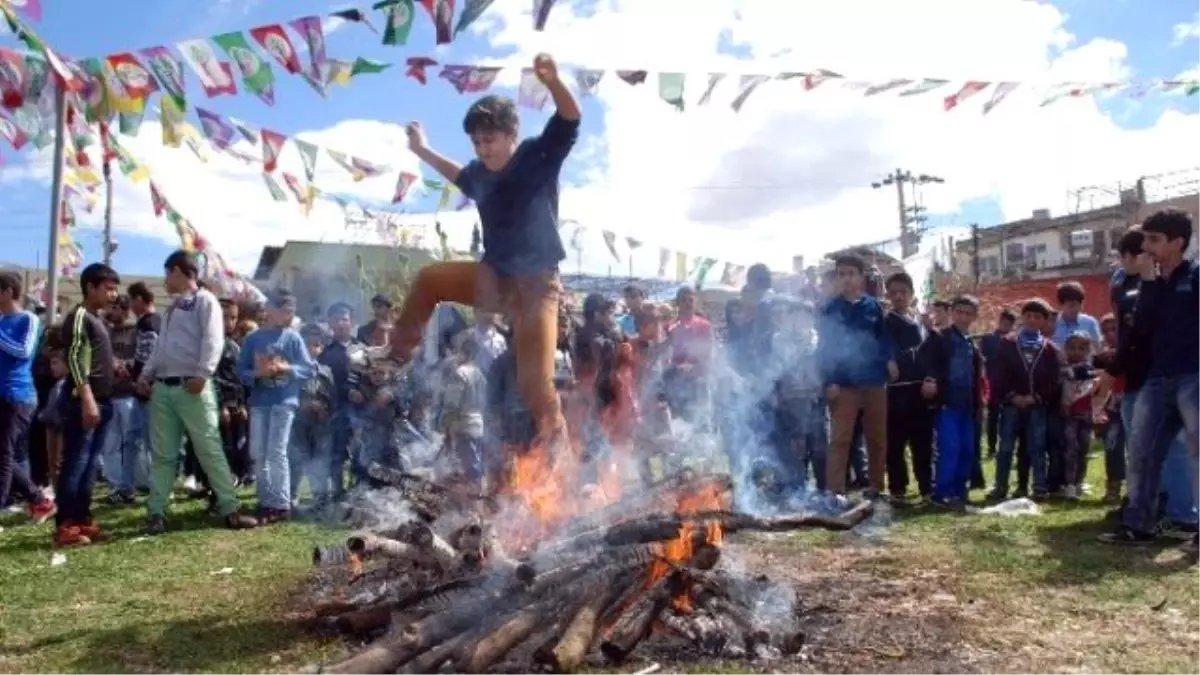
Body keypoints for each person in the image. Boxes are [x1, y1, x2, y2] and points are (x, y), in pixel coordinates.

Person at [389, 53, 580, 460]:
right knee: (429, 279)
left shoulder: (537, 157)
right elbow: (456, 172)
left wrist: (553, 82)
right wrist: (421, 149)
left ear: (512, 134)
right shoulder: (479, 174)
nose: (483, 149)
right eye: (477, 142)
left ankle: (559, 457)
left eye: (490, 140)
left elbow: (570, 120)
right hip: (494, 280)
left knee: (535, 384)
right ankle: (393, 356)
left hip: (536, 287)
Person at [138, 250, 258, 534]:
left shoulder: (206, 301)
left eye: (168, 273)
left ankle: (231, 509)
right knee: (164, 454)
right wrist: (146, 374)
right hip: (164, 388)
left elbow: (214, 340)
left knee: (209, 449)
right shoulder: (172, 308)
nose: (165, 280)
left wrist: (203, 373)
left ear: (179, 271)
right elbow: (161, 347)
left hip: (192, 386)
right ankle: (156, 512)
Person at [1101, 209, 1200, 546]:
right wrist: (1148, 281)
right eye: (1145, 239)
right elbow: (1142, 327)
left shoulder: (1196, 275)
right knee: (1142, 451)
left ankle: (1191, 523)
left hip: (1194, 376)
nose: (1147, 247)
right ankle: (1138, 524)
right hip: (1157, 379)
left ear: (1177, 242)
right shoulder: (1151, 282)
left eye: (1154, 240)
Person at [816, 254, 898, 499]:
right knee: (840, 439)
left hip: (874, 381)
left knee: (877, 437)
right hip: (843, 384)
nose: (846, 279)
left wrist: (890, 359)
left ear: (861, 277)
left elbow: (882, 337)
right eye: (841, 274)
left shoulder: (873, 306)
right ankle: (835, 491)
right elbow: (825, 349)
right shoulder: (829, 309)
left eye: (851, 274)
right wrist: (828, 380)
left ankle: (875, 487)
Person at [54, 263, 120, 546]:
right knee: (76, 463)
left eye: (115, 288)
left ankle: (82, 519)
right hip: (84, 402)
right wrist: (87, 399)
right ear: (90, 287)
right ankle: (66, 525)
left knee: (91, 464)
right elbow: (76, 360)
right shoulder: (79, 316)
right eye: (108, 288)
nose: (113, 295)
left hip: (104, 402)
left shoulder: (97, 319)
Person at [236, 289, 315, 523]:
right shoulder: (253, 339)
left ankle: (281, 504)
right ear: (269, 310)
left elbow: (309, 368)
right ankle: (265, 500)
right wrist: (257, 374)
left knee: (276, 452)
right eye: (285, 311)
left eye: (292, 312)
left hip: (283, 402)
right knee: (258, 452)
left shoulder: (293, 338)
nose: (289, 316)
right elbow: (240, 371)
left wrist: (286, 368)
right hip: (259, 403)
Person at [989, 299, 1062, 501]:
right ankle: (1000, 486)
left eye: (1037, 317)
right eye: (1028, 315)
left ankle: (1039, 487)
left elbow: (1054, 380)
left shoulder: (1050, 350)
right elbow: (998, 374)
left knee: (1037, 446)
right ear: (1022, 317)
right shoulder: (1008, 344)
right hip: (1011, 405)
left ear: (1044, 321)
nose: (1032, 320)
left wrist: (1035, 397)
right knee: (1005, 447)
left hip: (1036, 406)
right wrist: (1013, 396)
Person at [0, 271, 55, 524]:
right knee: (4, 454)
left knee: (4, 454)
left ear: (8, 292)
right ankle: (39, 500)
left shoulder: (28, 319)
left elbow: (23, 352)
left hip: (17, 395)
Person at [924, 295, 984, 508]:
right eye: (959, 312)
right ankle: (941, 493)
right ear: (952, 313)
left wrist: (979, 402)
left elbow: (977, 375)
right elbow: (928, 360)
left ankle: (960, 491)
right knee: (950, 447)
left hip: (967, 405)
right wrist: (930, 380)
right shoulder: (940, 337)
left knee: (967, 449)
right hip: (947, 403)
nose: (963, 317)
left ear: (974, 316)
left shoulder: (972, 344)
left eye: (968, 313)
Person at [883, 272, 934, 502]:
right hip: (898, 391)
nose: (898, 296)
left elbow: (930, 353)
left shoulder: (919, 321)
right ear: (888, 295)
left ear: (911, 294)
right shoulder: (887, 322)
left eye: (903, 291)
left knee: (922, 441)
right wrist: (893, 360)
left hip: (920, 391)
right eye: (893, 292)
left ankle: (926, 487)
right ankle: (898, 488)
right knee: (896, 442)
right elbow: (887, 350)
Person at [318, 302, 361, 499]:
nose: (341, 323)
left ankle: (360, 488)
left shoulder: (363, 350)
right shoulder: (325, 354)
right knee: (337, 452)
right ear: (330, 323)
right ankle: (337, 491)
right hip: (336, 409)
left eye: (345, 319)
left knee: (361, 451)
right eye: (337, 319)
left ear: (351, 321)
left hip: (361, 410)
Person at [101, 295, 142, 505]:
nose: (111, 311)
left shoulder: (136, 332)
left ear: (125, 310)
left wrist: (123, 365)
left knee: (132, 443)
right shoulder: (105, 331)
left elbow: (142, 358)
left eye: (115, 307)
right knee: (110, 444)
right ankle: (116, 484)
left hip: (129, 395)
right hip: (110, 395)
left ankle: (135, 483)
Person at [290, 323, 335, 509]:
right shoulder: (292, 371)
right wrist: (304, 405)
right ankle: (291, 494)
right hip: (297, 423)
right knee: (296, 458)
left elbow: (332, 398)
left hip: (320, 425)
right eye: (308, 344)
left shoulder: (326, 372)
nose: (312, 348)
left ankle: (320, 496)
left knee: (320, 458)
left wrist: (325, 409)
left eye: (317, 344)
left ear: (322, 347)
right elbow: (287, 396)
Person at [438, 333, 487, 491]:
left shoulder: (460, 374)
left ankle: (475, 504)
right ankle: (477, 499)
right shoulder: (479, 374)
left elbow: (452, 404)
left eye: (457, 351)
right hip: (478, 426)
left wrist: (444, 425)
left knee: (468, 469)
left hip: (463, 426)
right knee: (475, 464)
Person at [215, 298, 250, 486]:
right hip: (217, 406)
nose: (229, 322)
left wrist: (242, 403)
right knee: (219, 449)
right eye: (224, 317)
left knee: (236, 446)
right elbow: (211, 378)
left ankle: (232, 482)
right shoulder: (210, 346)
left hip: (235, 407)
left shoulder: (234, 346)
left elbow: (240, 380)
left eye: (233, 318)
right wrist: (221, 405)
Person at [1060, 333, 1097, 501]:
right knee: (1070, 450)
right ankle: (1068, 484)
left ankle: (1080, 482)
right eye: (1072, 348)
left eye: (1082, 349)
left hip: (1087, 415)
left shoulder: (1090, 369)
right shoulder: (1064, 370)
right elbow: (1070, 376)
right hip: (1070, 416)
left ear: (1088, 350)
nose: (1076, 352)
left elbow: (1087, 375)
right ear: (1066, 350)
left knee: (1084, 449)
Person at [979, 308, 1017, 458]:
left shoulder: (1015, 341)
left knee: (1009, 418)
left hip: (1010, 386)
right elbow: (982, 361)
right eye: (1003, 322)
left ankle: (1007, 446)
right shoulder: (988, 339)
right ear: (999, 321)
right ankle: (991, 447)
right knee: (992, 418)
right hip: (992, 384)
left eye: (1009, 323)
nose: (1005, 325)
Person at [1052, 281, 1102, 349]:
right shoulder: (1053, 324)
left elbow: (1098, 348)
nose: (1076, 309)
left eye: (1080, 305)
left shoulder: (1090, 323)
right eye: (1071, 305)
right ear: (1061, 304)